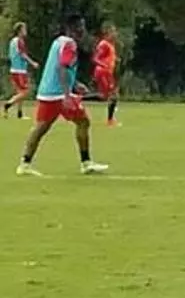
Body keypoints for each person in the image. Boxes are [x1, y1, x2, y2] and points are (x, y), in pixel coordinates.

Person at [16, 14, 109, 177]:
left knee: (41, 127)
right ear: (73, 29)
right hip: (58, 94)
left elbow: (60, 67)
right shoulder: (70, 44)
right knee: (82, 122)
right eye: (81, 27)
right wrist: (67, 95)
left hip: (47, 92)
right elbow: (62, 68)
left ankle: (24, 164)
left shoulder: (59, 41)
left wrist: (75, 83)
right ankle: (86, 163)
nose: (83, 30)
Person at [4, 22, 40, 119]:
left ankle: (19, 114)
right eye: (24, 29)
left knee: (20, 92)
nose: (26, 31)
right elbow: (23, 54)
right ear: (20, 30)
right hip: (20, 71)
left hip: (13, 70)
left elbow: (11, 55)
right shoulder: (19, 41)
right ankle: (8, 104)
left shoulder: (12, 41)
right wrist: (33, 63)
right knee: (25, 92)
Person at [91, 22, 120, 126]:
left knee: (107, 96)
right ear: (107, 33)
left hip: (107, 72)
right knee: (112, 95)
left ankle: (79, 98)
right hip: (103, 72)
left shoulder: (110, 45)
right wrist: (104, 65)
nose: (115, 34)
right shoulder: (103, 44)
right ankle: (110, 120)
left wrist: (115, 60)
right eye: (113, 32)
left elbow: (107, 57)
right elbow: (95, 58)